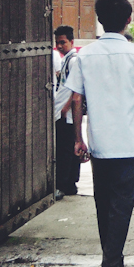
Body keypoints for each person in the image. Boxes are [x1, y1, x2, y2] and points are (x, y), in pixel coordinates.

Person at [68, 0, 134, 267]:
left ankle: (113, 261)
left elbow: (76, 98)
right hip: (129, 144)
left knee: (103, 205)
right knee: (121, 208)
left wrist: (78, 138)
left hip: (100, 145)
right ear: (129, 20)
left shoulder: (85, 55)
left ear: (99, 19)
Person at [53, 25, 80, 198]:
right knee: (68, 148)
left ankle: (64, 184)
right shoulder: (66, 59)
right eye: (57, 43)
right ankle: (69, 184)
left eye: (63, 42)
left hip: (67, 113)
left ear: (71, 41)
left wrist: (66, 107)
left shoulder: (74, 60)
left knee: (65, 150)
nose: (60, 46)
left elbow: (76, 88)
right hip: (64, 111)